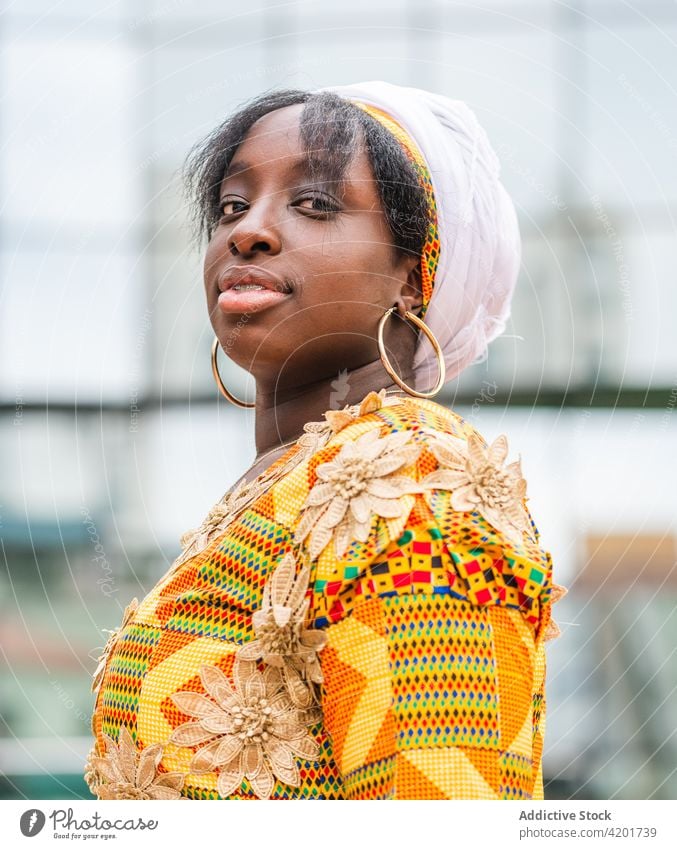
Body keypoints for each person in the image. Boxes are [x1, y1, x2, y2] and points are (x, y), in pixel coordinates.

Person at [84, 80, 565, 801]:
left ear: (413, 272)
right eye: (231, 206)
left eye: (313, 203)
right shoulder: (283, 483)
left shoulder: (409, 473)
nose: (247, 231)